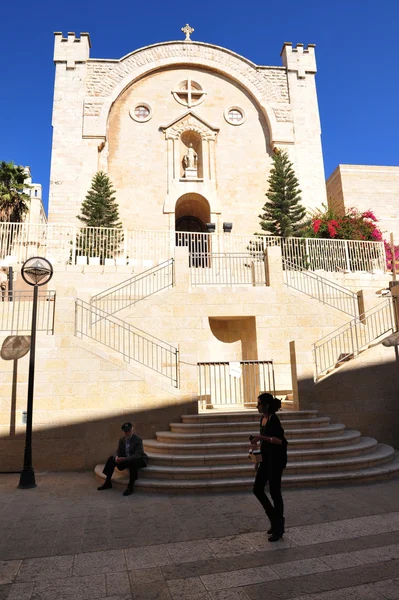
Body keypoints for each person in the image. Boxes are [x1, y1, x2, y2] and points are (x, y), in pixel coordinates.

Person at [251, 393, 288, 542]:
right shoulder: (263, 419)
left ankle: (278, 528)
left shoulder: (274, 419)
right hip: (266, 460)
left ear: (266, 405)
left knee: (274, 492)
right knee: (257, 489)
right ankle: (274, 519)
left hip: (276, 461)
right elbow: (265, 443)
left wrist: (260, 438)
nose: (257, 406)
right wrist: (256, 458)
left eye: (259, 403)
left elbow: (279, 440)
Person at [97, 421, 148, 496]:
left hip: (138, 459)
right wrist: (117, 456)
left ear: (132, 430)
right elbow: (118, 451)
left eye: (128, 430)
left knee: (133, 461)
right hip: (125, 459)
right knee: (112, 458)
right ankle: (108, 482)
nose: (127, 432)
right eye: (125, 431)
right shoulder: (122, 440)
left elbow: (138, 454)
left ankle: (130, 487)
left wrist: (125, 459)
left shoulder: (137, 439)